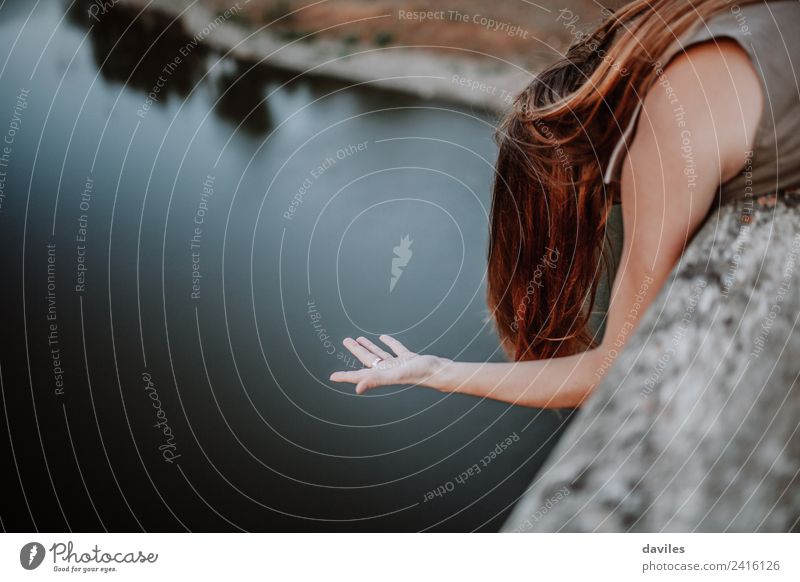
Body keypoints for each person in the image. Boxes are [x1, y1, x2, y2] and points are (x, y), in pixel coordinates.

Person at [331, 0, 800, 408]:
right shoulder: (695, 31)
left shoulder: (661, 137)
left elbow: (615, 367)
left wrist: (434, 372)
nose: (617, 206)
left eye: (608, 200)